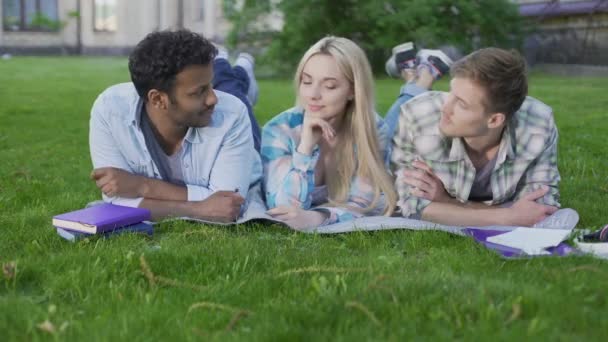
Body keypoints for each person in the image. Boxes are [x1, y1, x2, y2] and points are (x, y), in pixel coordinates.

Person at [89, 29, 262, 222]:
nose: (213, 98)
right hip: (208, 112)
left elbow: (229, 204)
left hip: (245, 142)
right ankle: (232, 69)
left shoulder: (231, 114)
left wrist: (141, 187)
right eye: (199, 91)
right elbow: (116, 199)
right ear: (157, 99)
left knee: (234, 93)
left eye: (209, 87)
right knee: (228, 87)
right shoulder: (109, 110)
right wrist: (198, 209)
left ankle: (239, 70)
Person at [391, 47, 561, 227]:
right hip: (412, 119)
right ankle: (419, 78)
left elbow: (539, 210)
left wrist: (447, 203)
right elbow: (411, 206)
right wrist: (507, 217)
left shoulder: (537, 126)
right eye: (451, 93)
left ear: (495, 120)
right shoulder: (419, 117)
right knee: (387, 126)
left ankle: (418, 73)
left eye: (462, 104)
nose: (446, 108)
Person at [261, 36, 397, 229]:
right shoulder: (279, 130)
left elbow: (366, 205)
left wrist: (317, 217)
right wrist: (305, 149)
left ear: (353, 90)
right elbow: (282, 209)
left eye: (329, 86)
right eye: (307, 82)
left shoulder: (372, 128)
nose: (313, 94)